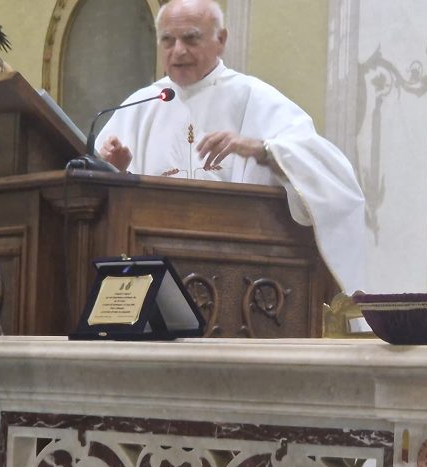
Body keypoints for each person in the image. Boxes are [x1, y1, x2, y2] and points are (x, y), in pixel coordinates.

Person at [96, 0, 365, 293]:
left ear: (221, 40)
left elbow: (334, 177)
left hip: (241, 277)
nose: (178, 50)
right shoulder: (140, 106)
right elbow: (102, 199)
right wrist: (116, 171)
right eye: (168, 40)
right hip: (153, 274)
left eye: (191, 38)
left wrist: (262, 149)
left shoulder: (253, 97)